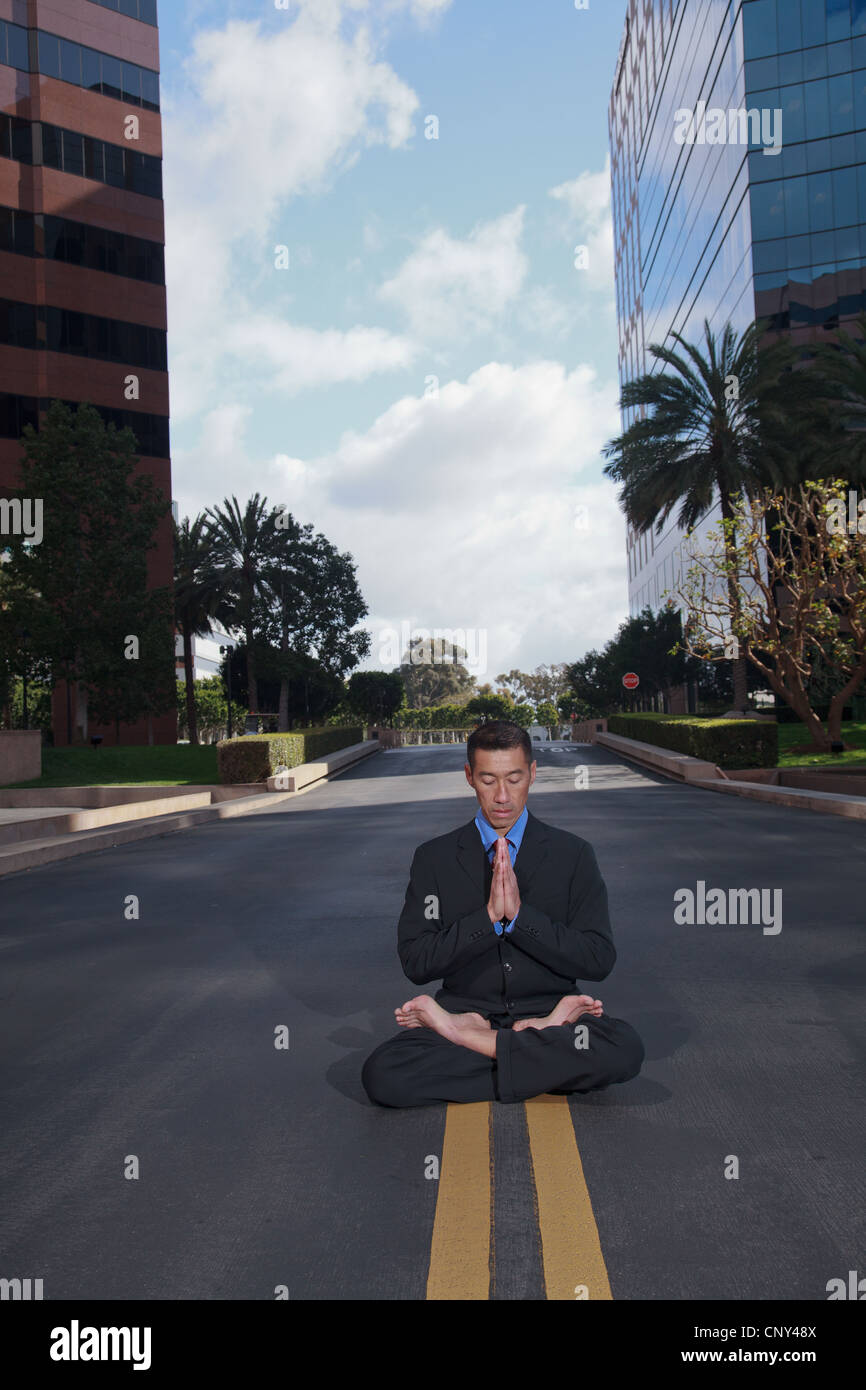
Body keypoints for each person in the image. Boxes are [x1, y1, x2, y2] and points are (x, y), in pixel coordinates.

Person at [362, 720, 644, 1107]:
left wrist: (521, 920)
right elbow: (416, 962)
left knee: (624, 1048)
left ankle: (474, 1042)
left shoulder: (573, 855)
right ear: (469, 777)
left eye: (513, 779)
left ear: (532, 773)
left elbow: (597, 959)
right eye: (488, 779)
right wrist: (488, 919)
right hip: (471, 1011)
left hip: (549, 1013)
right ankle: (537, 1061)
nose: (502, 796)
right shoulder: (435, 858)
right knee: (384, 1075)